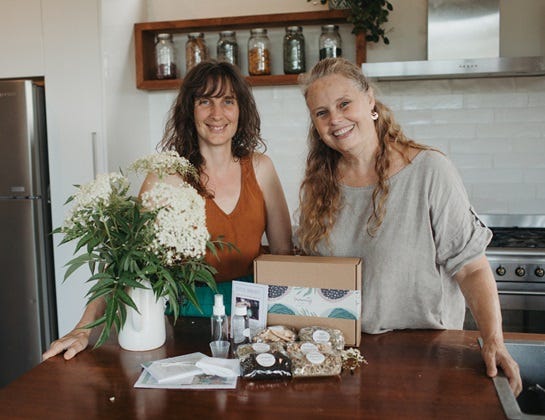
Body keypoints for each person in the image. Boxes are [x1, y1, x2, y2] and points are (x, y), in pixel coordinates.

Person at [295, 57, 522, 395]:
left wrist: (494, 339)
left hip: (427, 356)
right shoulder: (319, 184)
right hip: (342, 357)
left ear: (369, 100)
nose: (335, 120)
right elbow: (311, 276)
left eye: (345, 104)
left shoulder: (429, 170)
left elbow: (471, 268)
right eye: (322, 113)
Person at [43, 60, 292, 361]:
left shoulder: (261, 168)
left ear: (241, 110)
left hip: (250, 318)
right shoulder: (166, 177)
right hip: (184, 321)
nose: (217, 114)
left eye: (228, 101)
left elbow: (283, 255)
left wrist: (288, 325)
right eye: (205, 101)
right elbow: (124, 263)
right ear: (190, 110)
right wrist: (84, 328)